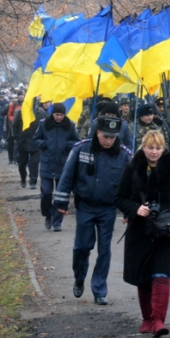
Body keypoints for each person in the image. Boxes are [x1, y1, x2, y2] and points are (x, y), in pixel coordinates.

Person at [115, 131, 170, 337]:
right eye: (150, 147)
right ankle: (147, 318)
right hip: (140, 230)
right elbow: (119, 197)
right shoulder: (133, 166)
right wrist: (135, 209)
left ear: (163, 148)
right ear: (144, 147)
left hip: (169, 231)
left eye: (158, 148)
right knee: (144, 275)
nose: (154, 152)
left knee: (161, 273)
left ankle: (158, 319)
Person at [56, 116, 132, 305]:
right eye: (105, 136)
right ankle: (79, 277)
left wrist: (129, 211)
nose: (108, 141)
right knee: (82, 247)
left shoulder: (123, 155)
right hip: (85, 206)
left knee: (104, 250)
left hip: (108, 208)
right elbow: (67, 176)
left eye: (112, 137)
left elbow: (131, 185)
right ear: (97, 132)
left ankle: (99, 289)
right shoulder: (81, 148)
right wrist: (61, 203)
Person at [33, 102, 79, 232]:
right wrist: (44, 144)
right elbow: (35, 139)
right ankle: (48, 215)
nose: (59, 117)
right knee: (46, 192)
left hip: (63, 163)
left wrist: (67, 145)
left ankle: (57, 221)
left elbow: (76, 141)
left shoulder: (70, 125)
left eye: (61, 115)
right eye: (57, 115)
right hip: (47, 162)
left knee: (61, 194)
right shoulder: (44, 124)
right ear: (53, 114)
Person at [13, 103, 45, 188]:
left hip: (36, 141)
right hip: (23, 141)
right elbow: (15, 125)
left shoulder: (41, 113)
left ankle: (33, 181)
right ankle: (23, 179)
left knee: (34, 163)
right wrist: (17, 137)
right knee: (22, 163)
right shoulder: (22, 112)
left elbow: (46, 125)